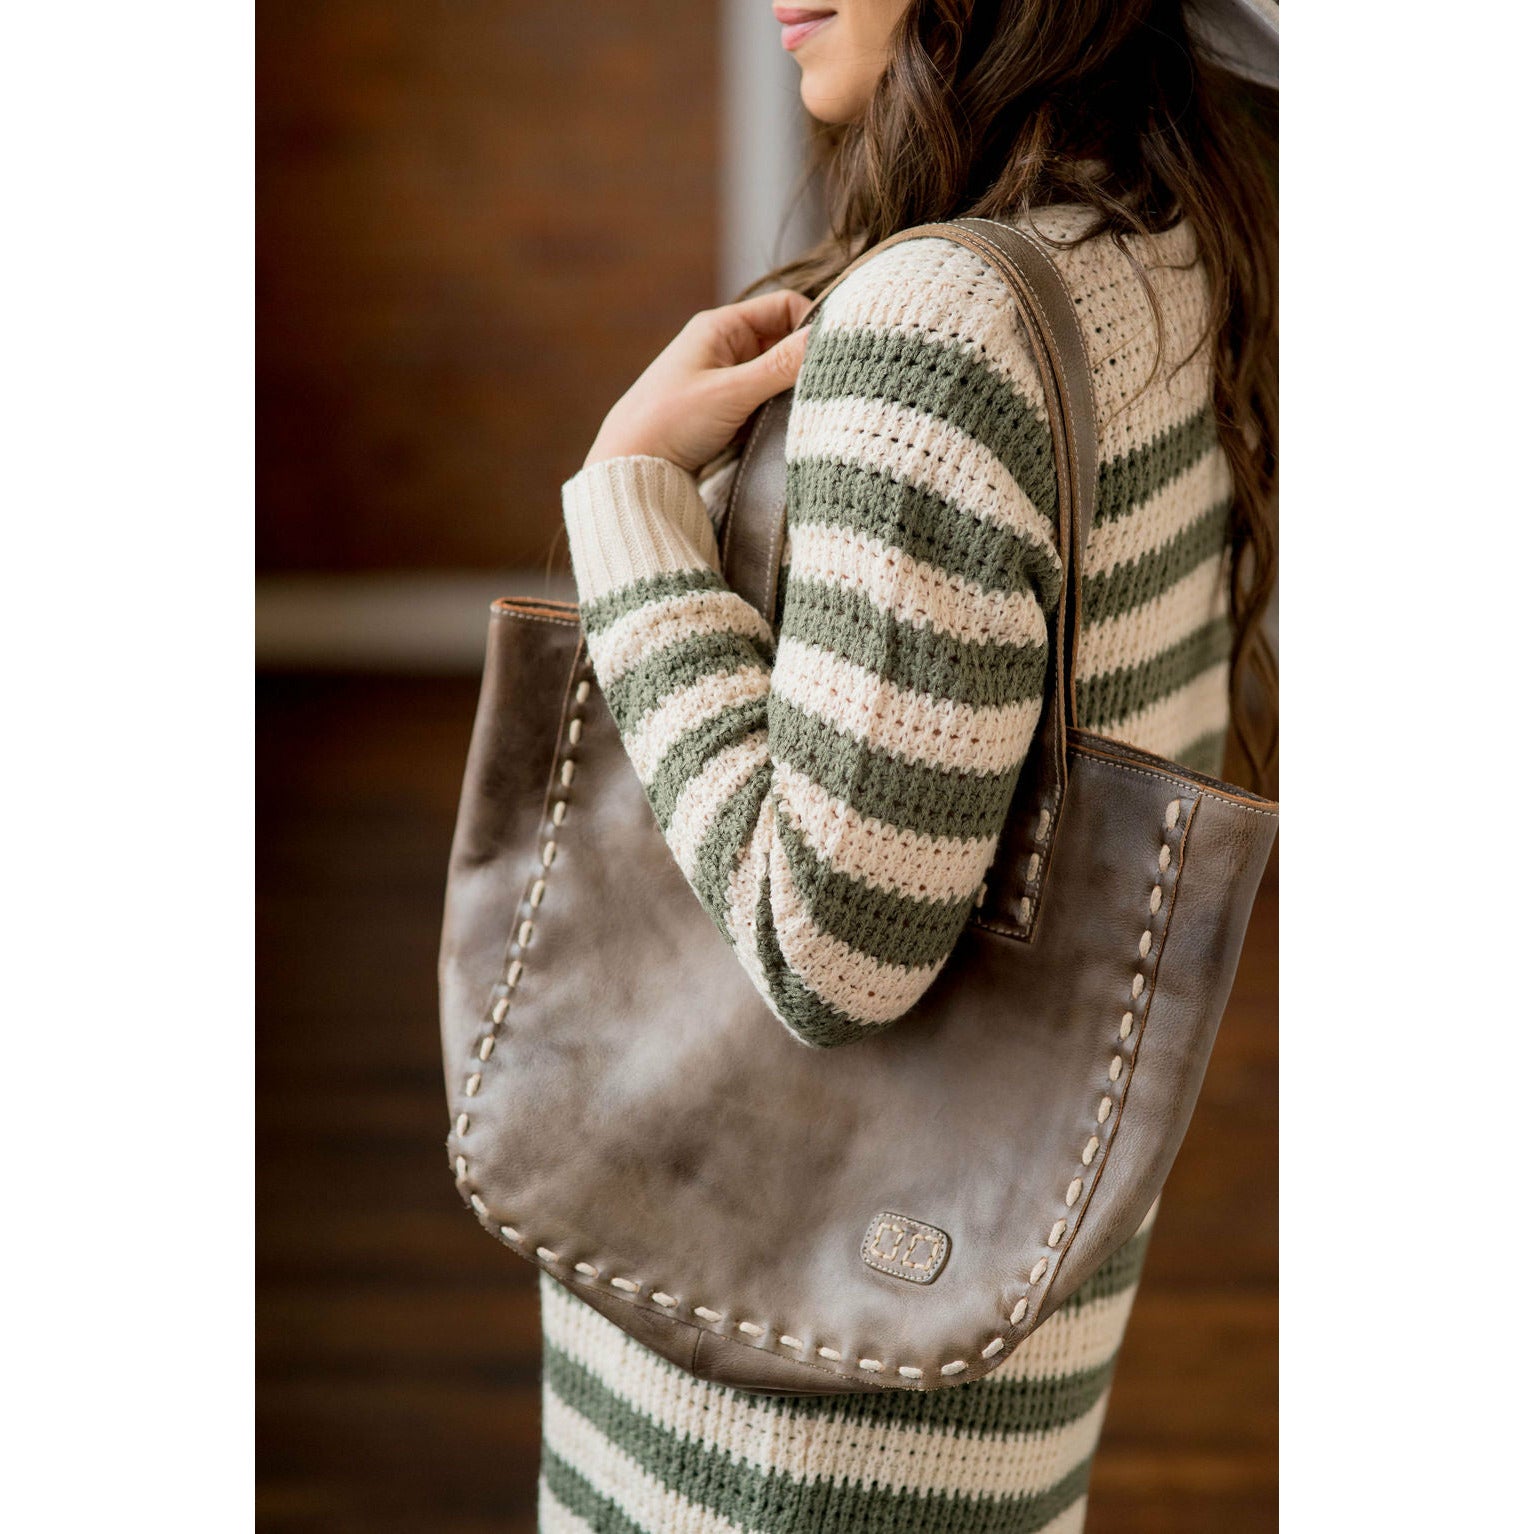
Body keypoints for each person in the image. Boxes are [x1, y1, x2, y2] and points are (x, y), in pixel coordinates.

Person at [545, 1, 1277, 1527]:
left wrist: (630, 500)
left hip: (778, 1397)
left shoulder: (940, 324)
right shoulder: (1171, 250)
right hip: (986, 1302)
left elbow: (828, 947)